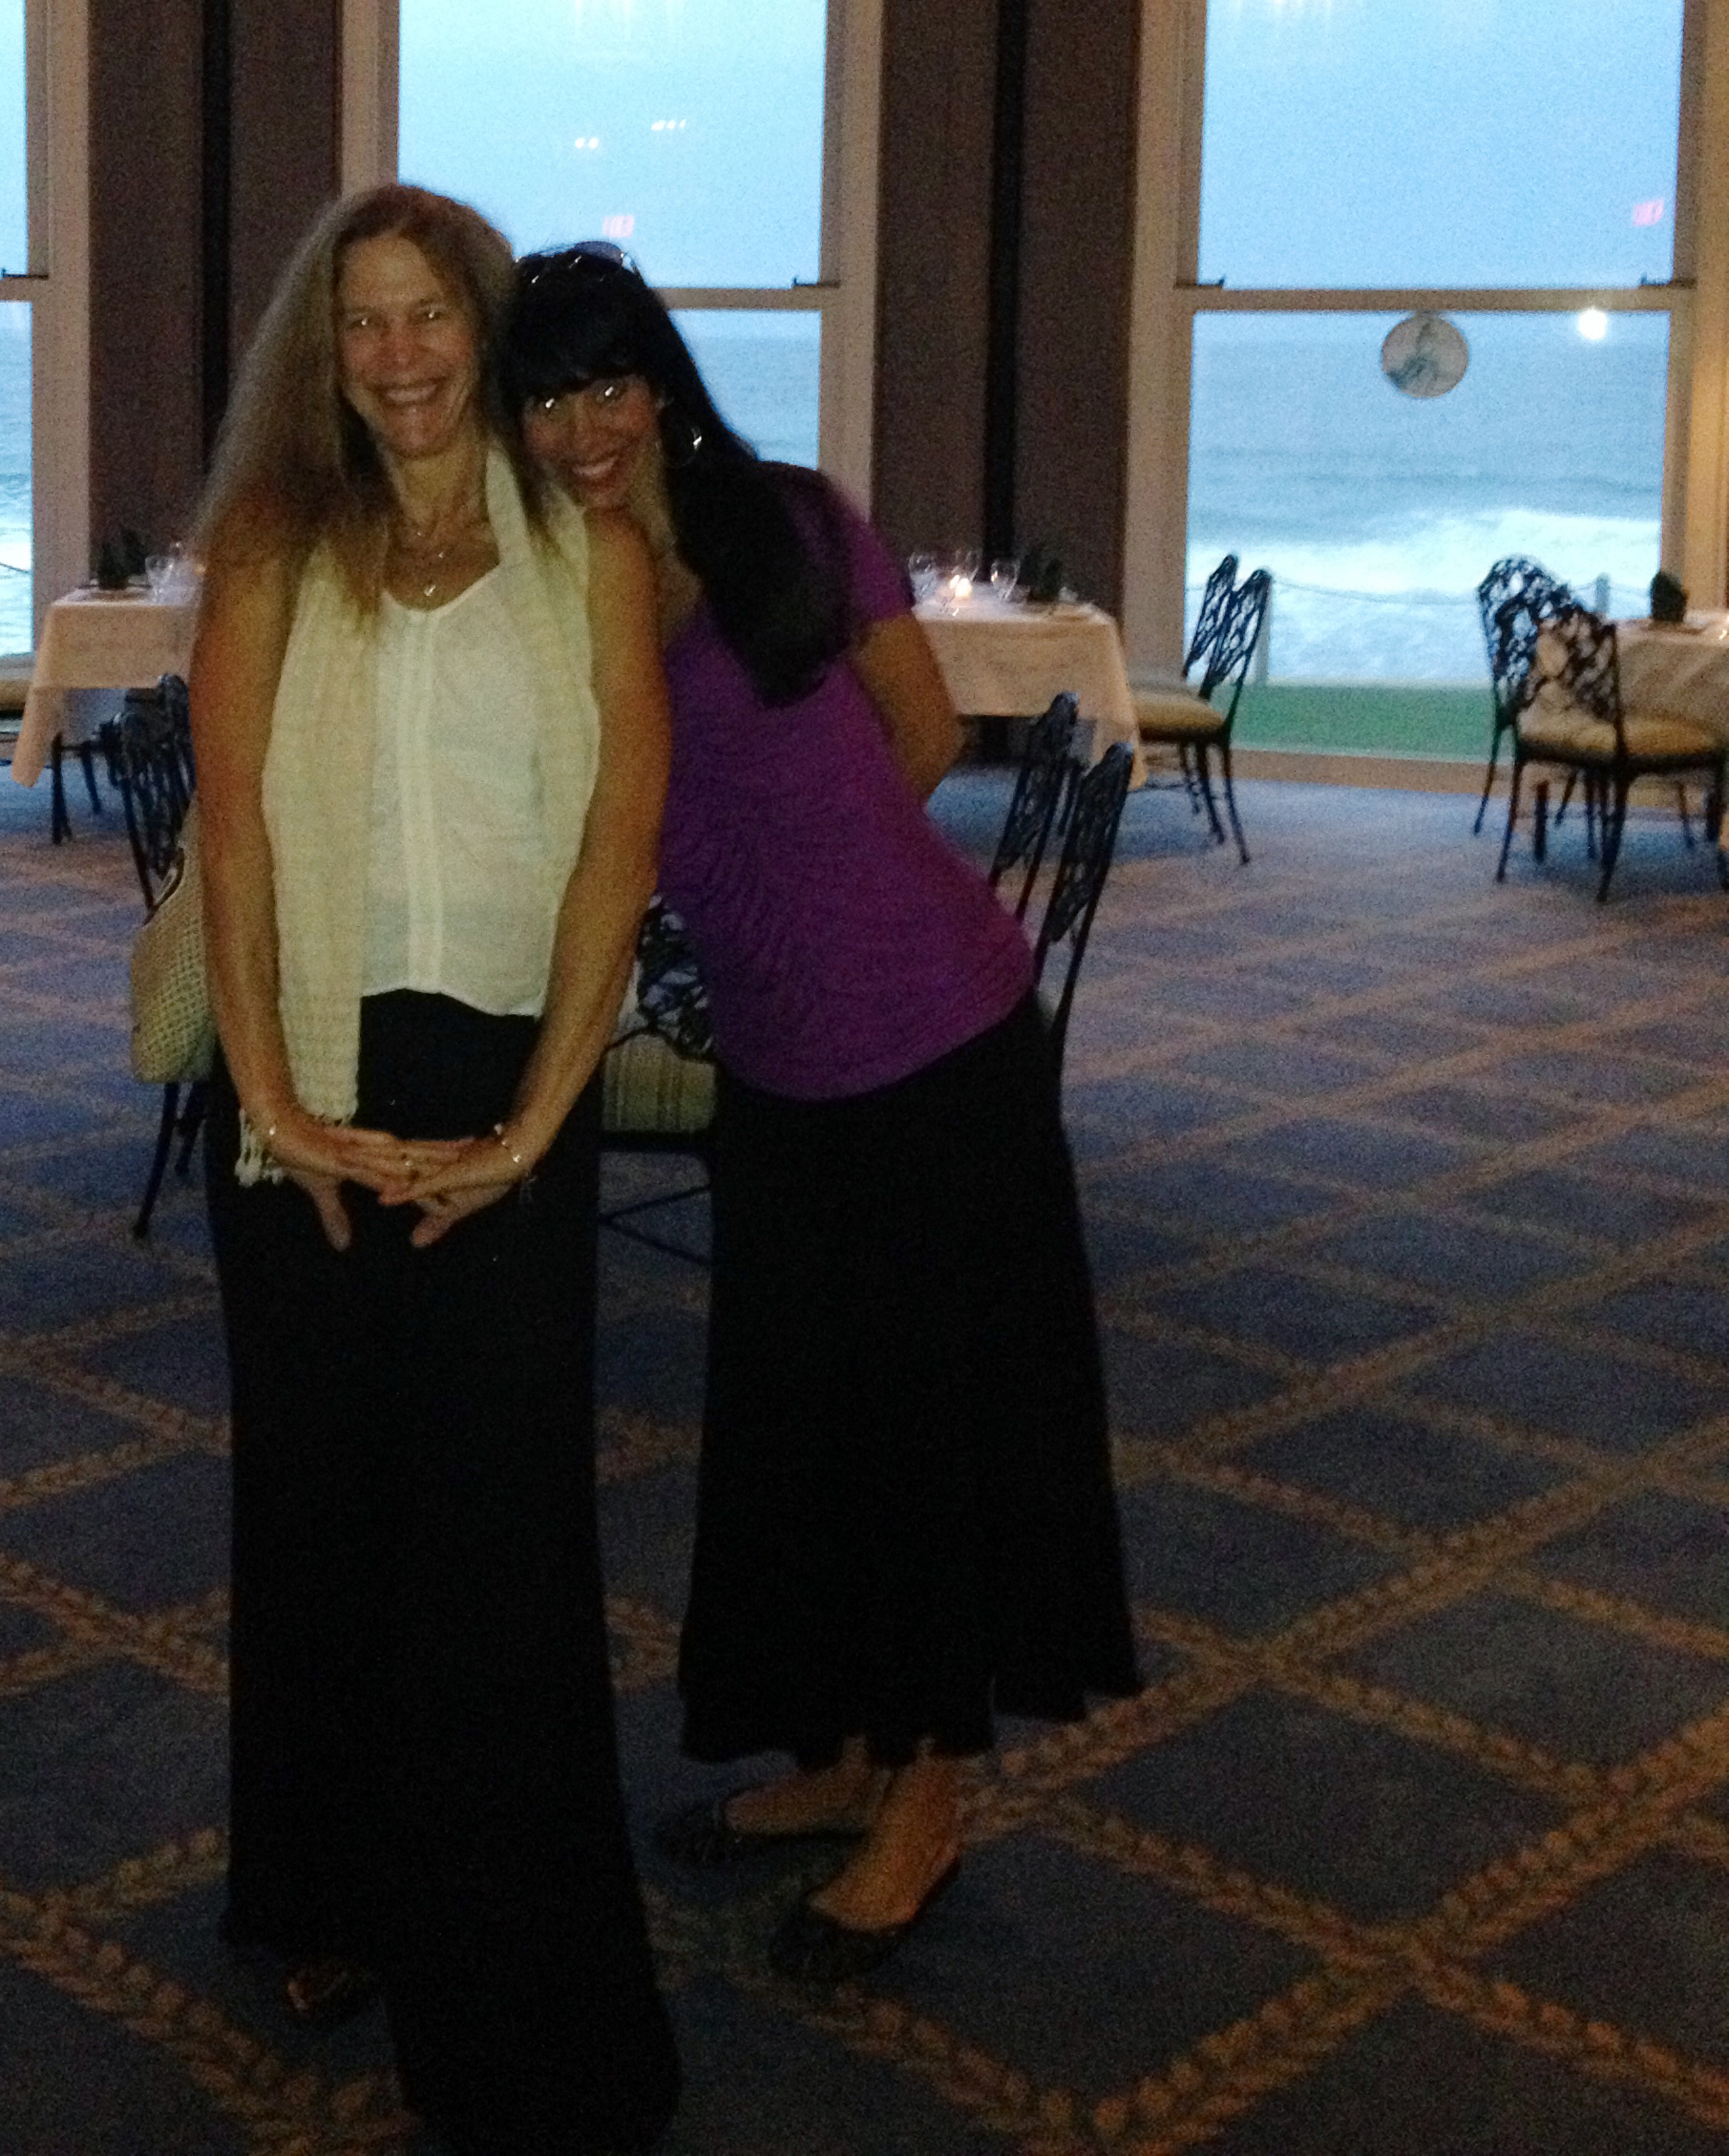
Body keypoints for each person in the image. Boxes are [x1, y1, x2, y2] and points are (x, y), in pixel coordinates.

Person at [499, 244, 1138, 1992]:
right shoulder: (555, 584)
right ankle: (844, 1756)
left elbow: (920, 735)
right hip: (777, 1068)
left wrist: (810, 890)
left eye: (608, 380)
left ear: (662, 383)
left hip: (940, 1042)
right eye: (544, 396)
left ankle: (926, 1802)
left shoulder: (788, 521)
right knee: (804, 1431)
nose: (583, 425)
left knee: (929, 1437)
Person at [188, 185, 680, 2156]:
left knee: (498, 1547)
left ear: (481, 329)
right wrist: (277, 1109)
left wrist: (541, 1130)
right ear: (323, 353)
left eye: (428, 318)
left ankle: (516, 1999)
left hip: (506, 1082)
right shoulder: (269, 546)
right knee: (320, 1508)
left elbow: (620, 842)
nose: (397, 357)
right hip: (309, 1065)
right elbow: (234, 838)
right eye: (360, 324)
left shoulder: (588, 551)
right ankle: (319, 1887)